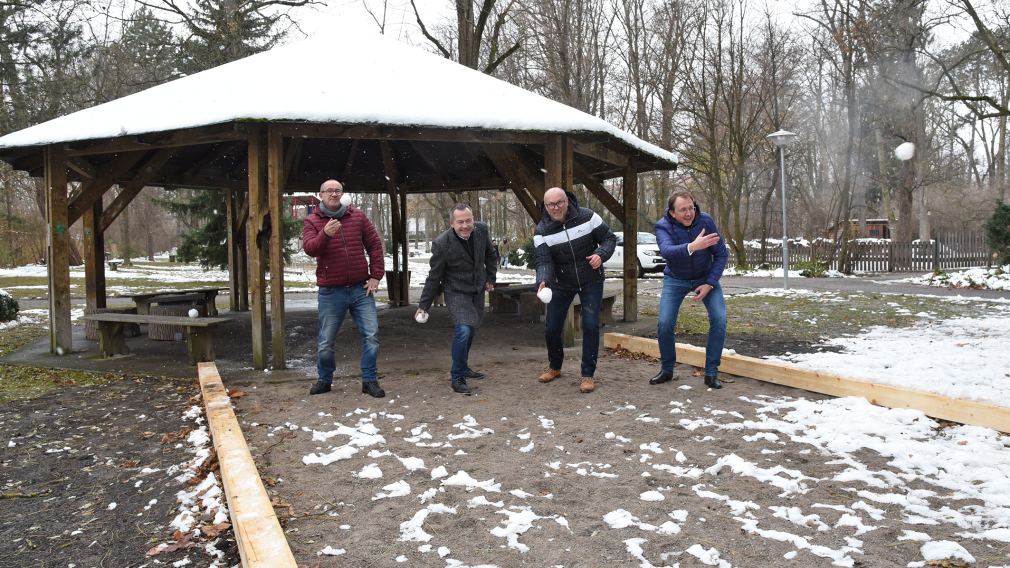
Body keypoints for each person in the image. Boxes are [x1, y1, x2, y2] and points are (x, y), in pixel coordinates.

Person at [302, 179, 386, 398]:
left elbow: (375, 245)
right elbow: (310, 249)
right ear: (321, 194)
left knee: (371, 335)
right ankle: (325, 380)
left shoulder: (357, 216)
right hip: (331, 292)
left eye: (337, 190)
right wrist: (325, 234)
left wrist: (376, 276)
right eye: (329, 191)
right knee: (326, 341)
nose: (334, 194)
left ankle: (369, 381)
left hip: (361, 289)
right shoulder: (312, 220)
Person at [533, 187, 616, 394]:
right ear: (545, 206)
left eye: (559, 202)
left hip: (591, 280)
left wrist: (600, 254)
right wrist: (543, 280)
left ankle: (587, 374)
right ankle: (555, 367)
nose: (556, 207)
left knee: (590, 325)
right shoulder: (541, 230)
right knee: (552, 328)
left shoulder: (588, 217)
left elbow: (609, 238)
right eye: (551, 204)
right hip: (561, 282)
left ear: (567, 201)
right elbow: (543, 260)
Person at [650, 189, 729, 389]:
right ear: (672, 212)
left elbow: (721, 254)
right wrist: (693, 246)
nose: (689, 213)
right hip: (675, 279)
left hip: (705, 276)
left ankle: (711, 373)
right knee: (665, 323)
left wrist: (710, 283)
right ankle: (667, 370)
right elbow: (667, 251)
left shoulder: (705, 221)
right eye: (683, 210)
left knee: (719, 318)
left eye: (691, 208)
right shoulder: (663, 226)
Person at [417, 204, 497, 395]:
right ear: (452, 223)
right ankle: (457, 376)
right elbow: (434, 277)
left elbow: (491, 254)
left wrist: (490, 278)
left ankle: (463, 366)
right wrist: (423, 306)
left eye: (468, 220)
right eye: (460, 222)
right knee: (463, 329)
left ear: (473, 219)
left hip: (477, 289)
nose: (465, 225)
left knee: (471, 329)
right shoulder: (442, 244)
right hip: (456, 291)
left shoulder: (482, 230)